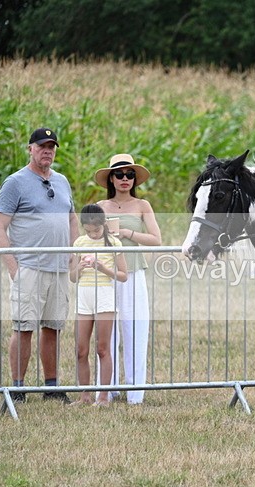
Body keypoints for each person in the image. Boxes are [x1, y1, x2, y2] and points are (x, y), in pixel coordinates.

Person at [0, 127, 79, 405]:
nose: (47, 151)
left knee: (53, 327)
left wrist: (74, 253)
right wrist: (14, 268)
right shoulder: (15, 183)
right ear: (30, 149)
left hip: (58, 268)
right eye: (42, 146)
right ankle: (18, 389)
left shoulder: (62, 181)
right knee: (24, 327)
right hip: (29, 268)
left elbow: (72, 219)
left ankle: (51, 387)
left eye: (51, 147)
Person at [95, 154, 161, 404]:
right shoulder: (101, 206)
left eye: (130, 174)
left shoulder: (142, 205)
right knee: (107, 333)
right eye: (120, 174)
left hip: (133, 273)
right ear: (111, 178)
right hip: (107, 273)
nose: (125, 179)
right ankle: (107, 389)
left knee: (135, 330)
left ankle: (135, 393)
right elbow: (90, 237)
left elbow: (156, 239)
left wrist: (127, 233)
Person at [69, 205, 128, 406]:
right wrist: (78, 267)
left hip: (104, 296)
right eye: (88, 231)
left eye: (96, 230)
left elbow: (123, 275)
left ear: (103, 225)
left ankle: (103, 396)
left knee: (102, 348)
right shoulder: (79, 243)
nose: (93, 234)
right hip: (84, 296)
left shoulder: (114, 243)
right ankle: (84, 396)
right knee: (81, 350)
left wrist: (103, 269)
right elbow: (72, 277)